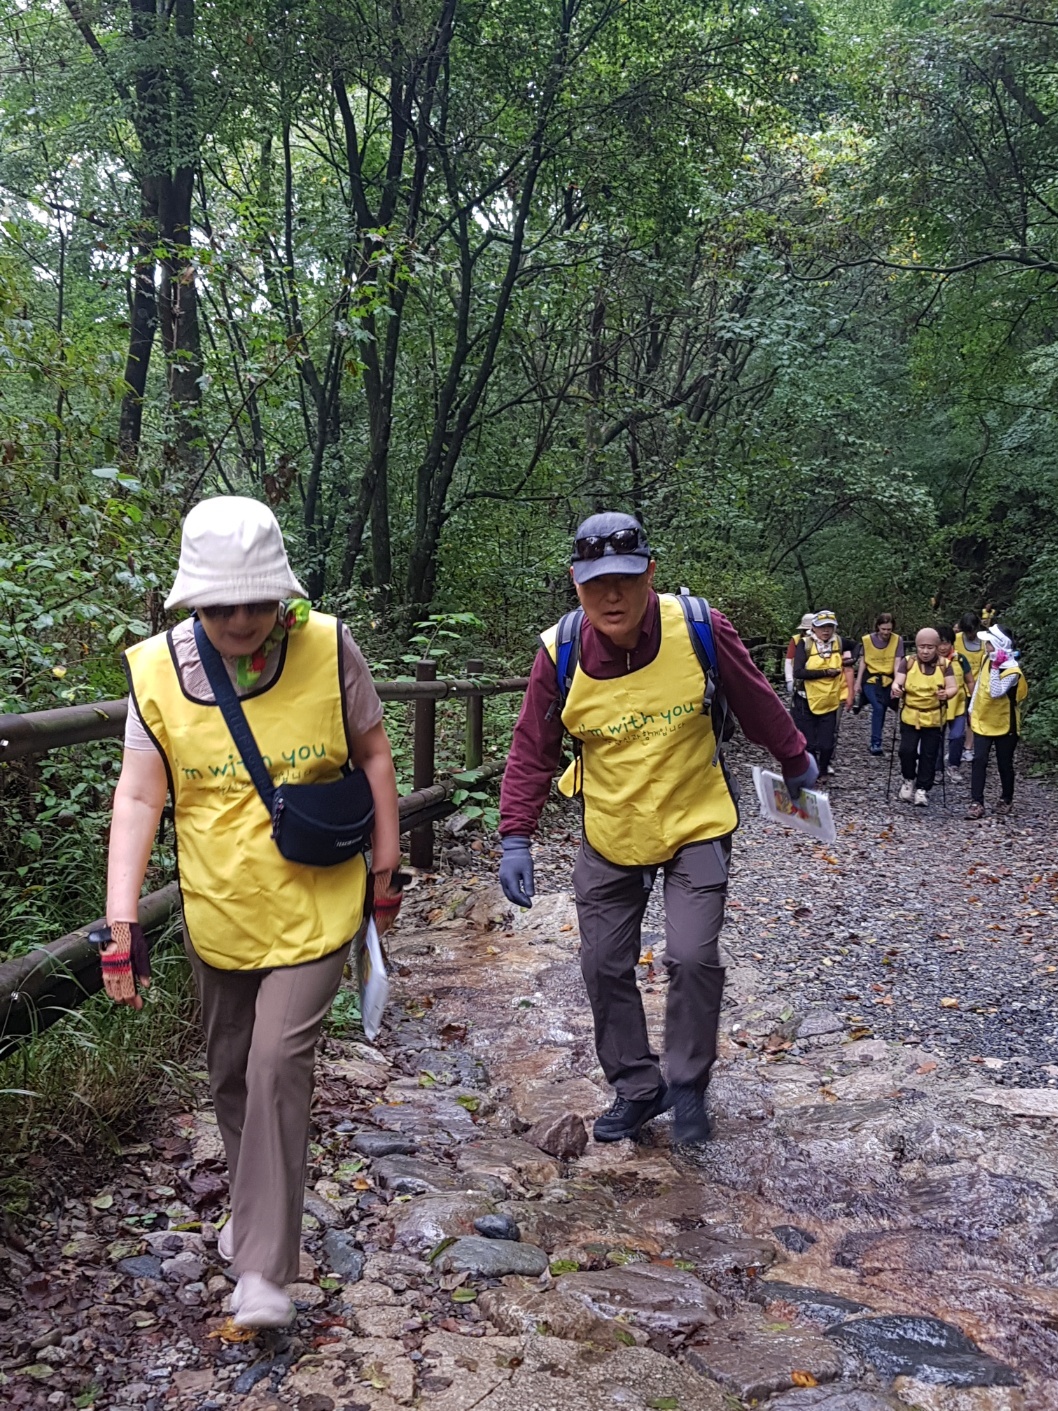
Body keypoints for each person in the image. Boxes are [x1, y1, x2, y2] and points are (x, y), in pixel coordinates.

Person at [98, 497, 401, 1329]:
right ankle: (256, 1204)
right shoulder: (156, 673)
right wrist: (120, 920)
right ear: (194, 600)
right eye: (221, 604)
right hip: (219, 909)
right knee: (231, 1073)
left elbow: (373, 751)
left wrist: (385, 864)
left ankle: (266, 1266)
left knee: (275, 1061)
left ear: (282, 593)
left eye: (254, 601)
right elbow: (138, 795)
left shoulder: (330, 646)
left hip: (316, 902)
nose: (239, 618)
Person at [496, 512, 817, 1147]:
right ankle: (638, 1087)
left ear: (650, 573)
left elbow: (754, 696)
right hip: (611, 827)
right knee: (601, 962)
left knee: (693, 955)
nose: (610, 596)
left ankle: (689, 1082)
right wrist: (515, 835)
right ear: (575, 583)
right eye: (595, 584)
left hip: (695, 816)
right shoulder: (560, 652)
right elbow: (533, 748)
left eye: (624, 579)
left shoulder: (696, 626)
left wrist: (794, 756)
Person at [966, 625, 1028, 820]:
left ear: (999, 646)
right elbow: (980, 685)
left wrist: (995, 667)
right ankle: (977, 802)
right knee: (979, 760)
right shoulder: (987, 659)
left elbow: (995, 691)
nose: (986, 646)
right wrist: (971, 709)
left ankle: (1006, 798)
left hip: (1005, 724)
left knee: (1004, 763)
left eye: (989, 643)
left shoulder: (1012, 670)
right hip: (984, 719)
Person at [890, 628, 956, 806]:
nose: (925, 651)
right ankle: (908, 779)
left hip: (934, 717)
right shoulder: (908, 662)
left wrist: (946, 694)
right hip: (911, 714)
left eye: (930, 647)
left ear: (936, 647)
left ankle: (922, 789)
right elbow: (898, 680)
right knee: (906, 751)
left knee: (929, 754)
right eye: (921, 647)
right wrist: (896, 688)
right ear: (917, 647)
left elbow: (952, 687)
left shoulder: (945, 665)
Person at [791, 610, 853, 777]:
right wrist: (825, 672)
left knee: (826, 744)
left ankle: (823, 770)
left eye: (830, 627)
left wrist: (849, 659)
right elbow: (798, 672)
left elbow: (858, 646)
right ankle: (811, 772)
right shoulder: (805, 644)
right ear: (814, 628)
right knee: (810, 744)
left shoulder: (838, 642)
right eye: (822, 627)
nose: (826, 631)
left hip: (829, 700)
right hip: (805, 700)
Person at [854, 613, 903, 756]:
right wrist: (858, 682)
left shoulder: (897, 640)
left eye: (889, 629)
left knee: (897, 706)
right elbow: (864, 661)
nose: (886, 632)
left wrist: (897, 682)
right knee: (878, 707)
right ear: (878, 628)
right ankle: (876, 742)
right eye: (883, 629)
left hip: (888, 678)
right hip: (871, 678)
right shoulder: (867, 640)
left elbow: (897, 662)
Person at [938, 625, 973, 783]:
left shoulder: (960, 659)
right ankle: (936, 769)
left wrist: (973, 700)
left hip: (958, 704)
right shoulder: (929, 660)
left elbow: (969, 680)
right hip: (936, 705)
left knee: (957, 736)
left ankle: (953, 765)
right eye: (939, 643)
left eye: (946, 643)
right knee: (936, 737)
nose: (942, 647)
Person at [954, 612, 986, 765]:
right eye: (967, 632)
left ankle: (968, 748)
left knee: (971, 718)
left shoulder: (985, 641)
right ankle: (956, 748)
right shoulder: (957, 639)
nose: (970, 635)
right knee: (957, 717)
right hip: (958, 685)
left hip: (977, 685)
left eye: (972, 632)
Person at [784, 612, 815, 696]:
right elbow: (789, 660)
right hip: (799, 675)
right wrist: (789, 680)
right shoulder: (796, 639)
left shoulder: (822, 641)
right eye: (805, 630)